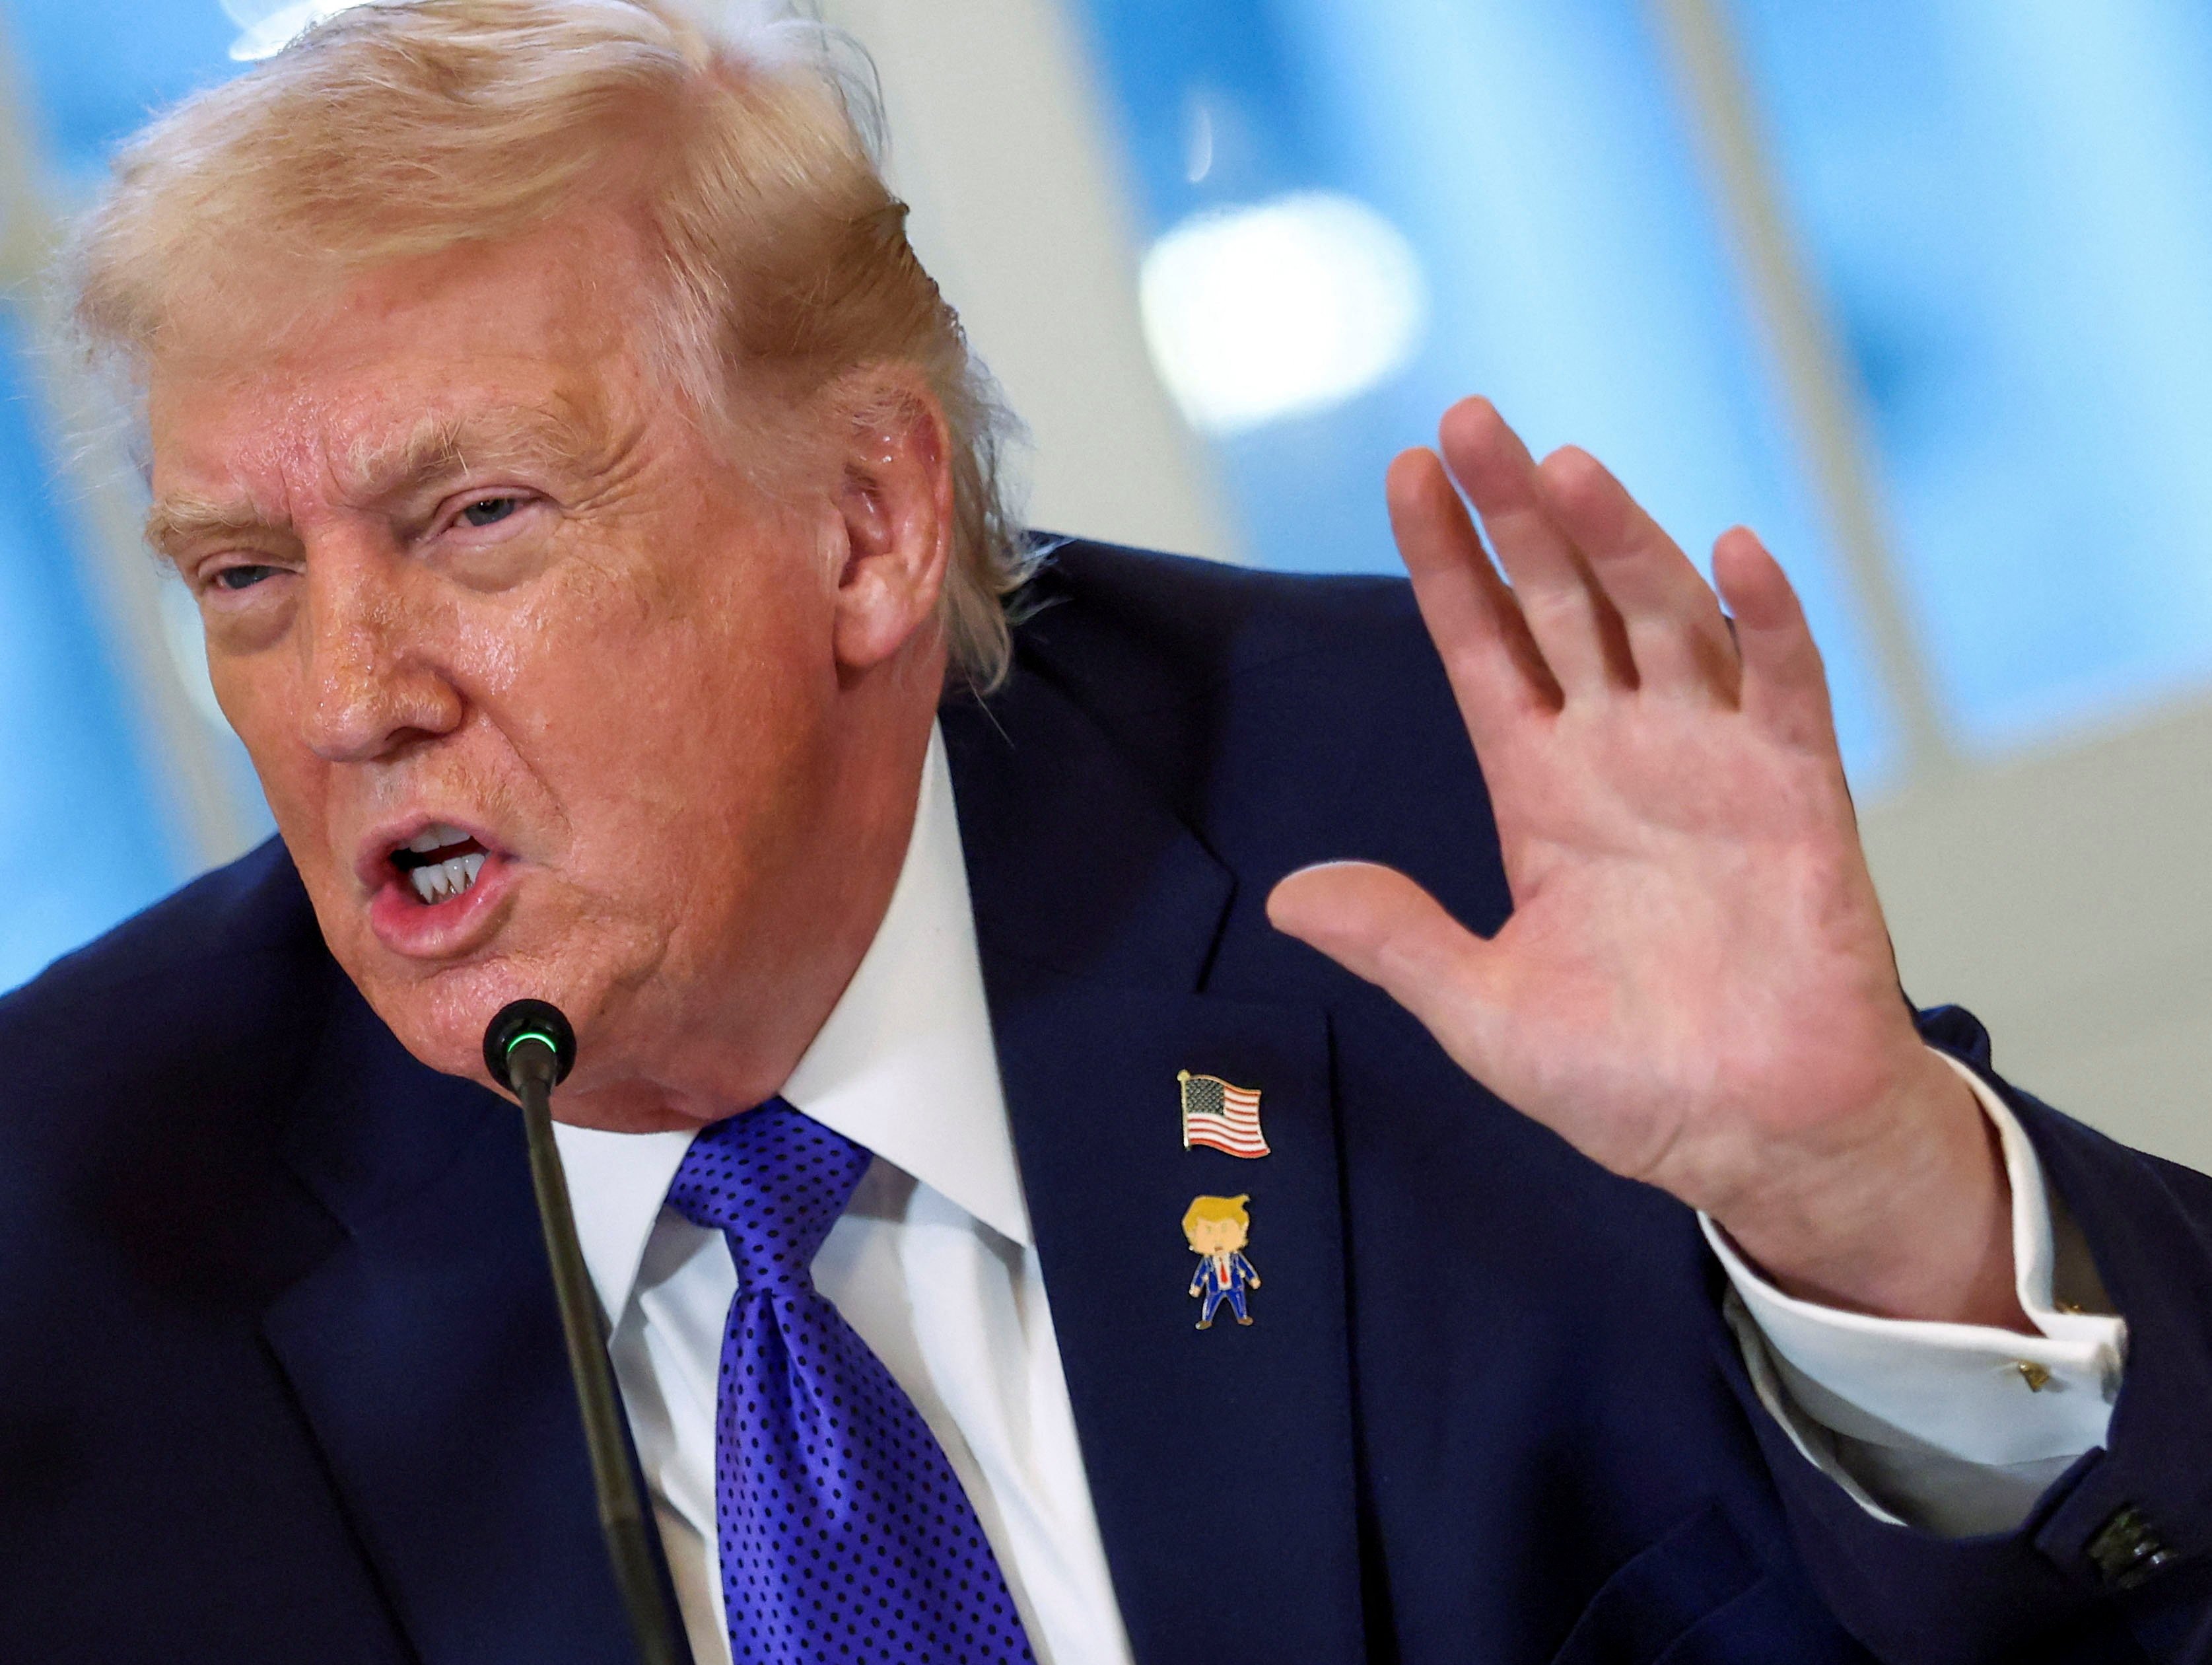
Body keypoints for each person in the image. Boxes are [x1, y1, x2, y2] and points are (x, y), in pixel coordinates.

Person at [1, 1, 2206, 1661]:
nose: (351, 695)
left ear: (867, 527)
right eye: (246, 581)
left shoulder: (1436, 834)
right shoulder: (83, 1232)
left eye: (475, 520)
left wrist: (1870, 1210)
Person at [1183, 1195, 1261, 1328]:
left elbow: (1245, 1267)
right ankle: (1207, 1319)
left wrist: (1252, 1278)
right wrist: (1196, 1286)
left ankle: (1242, 1316)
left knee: (1239, 1300)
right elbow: (1201, 1273)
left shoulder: (1235, 1257)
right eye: (1208, 1231)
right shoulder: (1208, 1261)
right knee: (1211, 1301)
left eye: (1225, 1229)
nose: (1217, 1239)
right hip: (1215, 1288)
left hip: (1235, 1285)